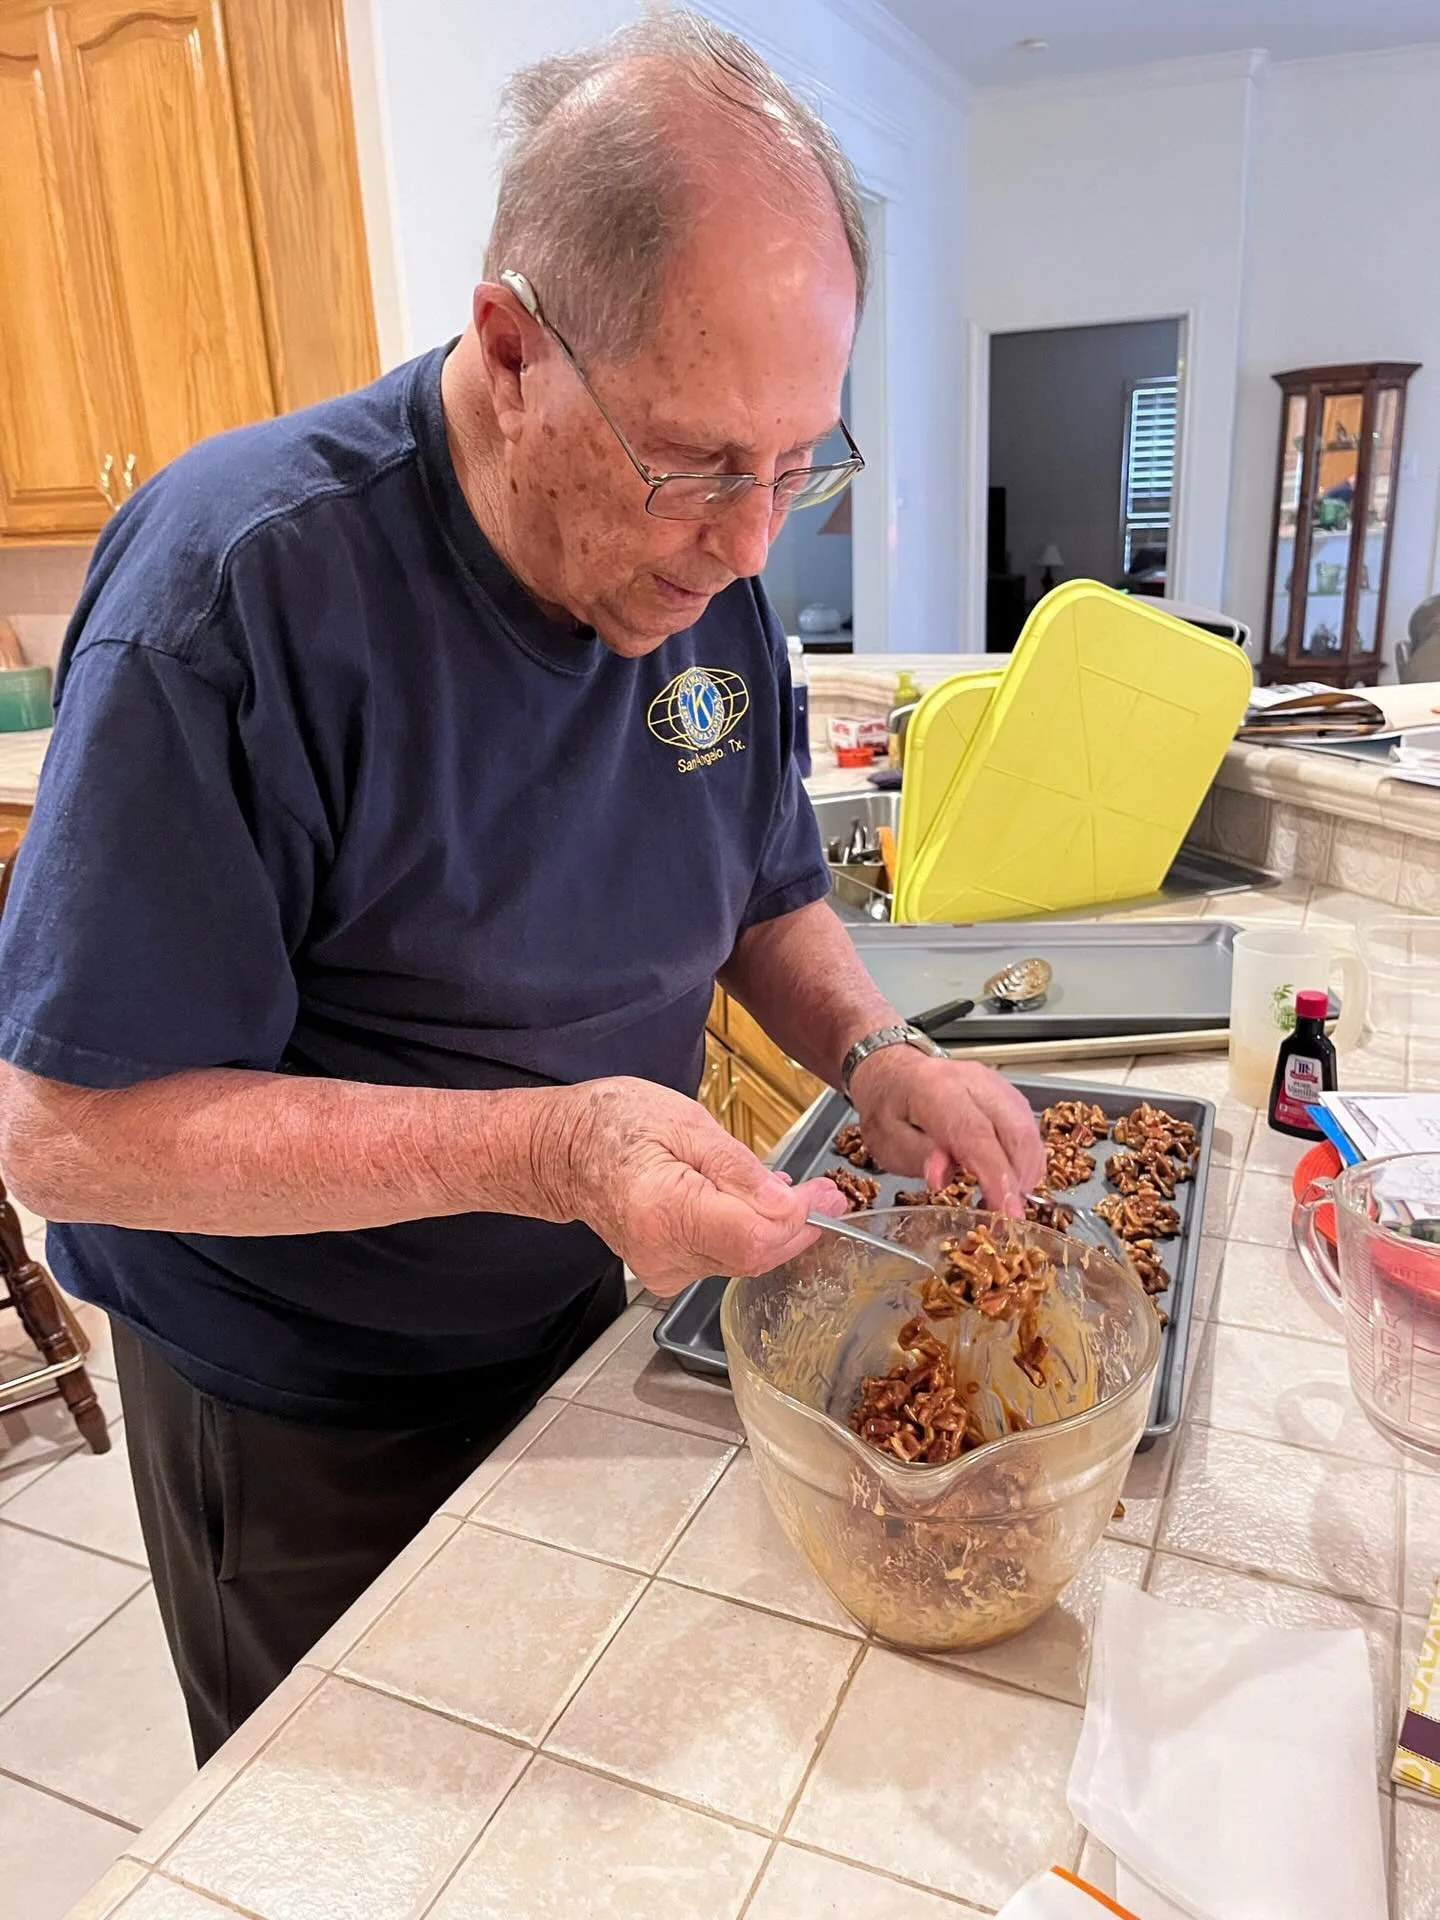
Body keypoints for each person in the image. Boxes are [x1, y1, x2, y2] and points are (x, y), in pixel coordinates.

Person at [0, 13, 1044, 1763]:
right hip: (306, 1406)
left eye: (803, 465)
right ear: (508, 346)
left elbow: (762, 893)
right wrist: (545, 1150)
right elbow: (62, 1134)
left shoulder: (715, 570)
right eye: (701, 461)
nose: (750, 541)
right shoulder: (237, 595)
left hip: (589, 1332)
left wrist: (881, 1058)